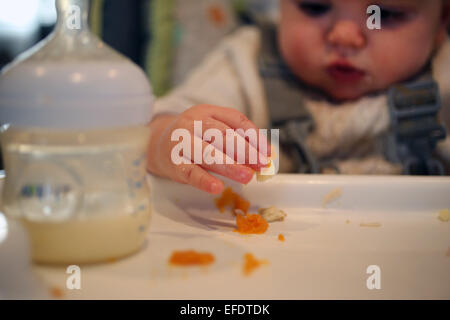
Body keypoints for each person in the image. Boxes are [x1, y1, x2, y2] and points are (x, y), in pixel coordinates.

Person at [146, 0, 450, 194]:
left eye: (384, 14)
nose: (344, 36)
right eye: (315, 7)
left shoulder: (444, 73)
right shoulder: (246, 63)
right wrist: (168, 141)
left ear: (442, 22)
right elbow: (147, 131)